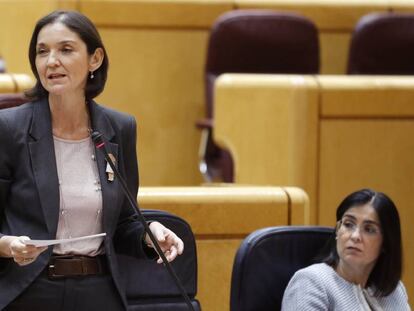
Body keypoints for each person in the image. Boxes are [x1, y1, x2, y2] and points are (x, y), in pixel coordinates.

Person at [0, 10, 184, 310]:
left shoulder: (119, 128)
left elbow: (123, 222)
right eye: (42, 51)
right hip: (29, 290)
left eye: (66, 50)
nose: (51, 61)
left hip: (99, 292)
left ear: (95, 59)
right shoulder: (9, 129)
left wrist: (149, 233)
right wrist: (8, 246)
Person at [282, 189, 411, 310]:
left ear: (386, 243)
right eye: (348, 224)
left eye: (369, 229)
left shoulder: (393, 291)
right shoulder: (311, 282)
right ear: (338, 230)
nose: (355, 236)